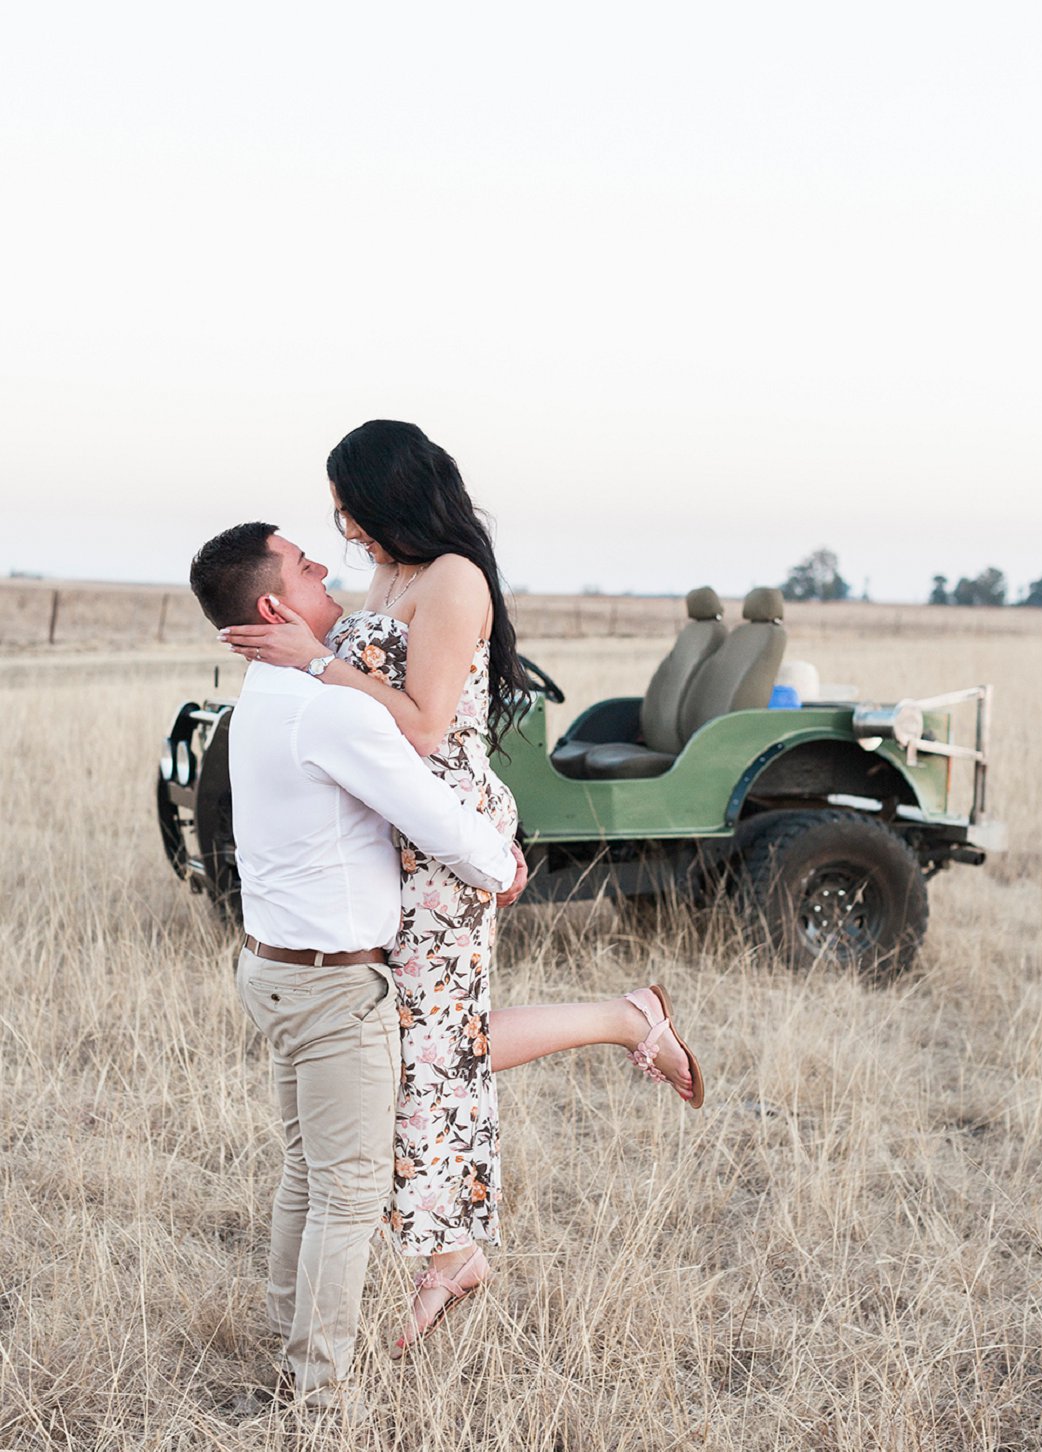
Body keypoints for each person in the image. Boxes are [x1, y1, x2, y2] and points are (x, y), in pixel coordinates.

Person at [215, 424, 704, 1358]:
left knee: (425, 1046)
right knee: (417, 1043)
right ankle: (460, 1238)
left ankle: (458, 1243)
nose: (343, 526)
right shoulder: (391, 573)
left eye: (349, 505)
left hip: (440, 826)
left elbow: (428, 729)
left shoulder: (451, 579)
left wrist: (315, 663)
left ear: (392, 493)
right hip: (387, 824)